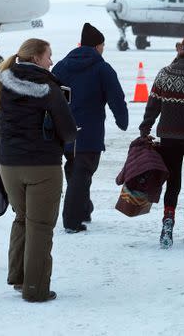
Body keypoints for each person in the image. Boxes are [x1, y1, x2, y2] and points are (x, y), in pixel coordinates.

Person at [0, 38, 77, 303]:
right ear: (36, 58)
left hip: (8, 164)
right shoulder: (49, 88)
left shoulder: (3, 82)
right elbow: (67, 131)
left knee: (22, 218)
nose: (52, 61)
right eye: (49, 56)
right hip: (42, 165)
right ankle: (36, 289)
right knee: (40, 226)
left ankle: (19, 278)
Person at [52, 23, 128, 233]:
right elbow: (116, 98)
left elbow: (53, 96)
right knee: (83, 172)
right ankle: (72, 220)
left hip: (64, 131)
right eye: (102, 45)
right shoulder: (102, 68)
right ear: (97, 46)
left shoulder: (60, 66)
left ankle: (84, 209)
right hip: (90, 132)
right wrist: (123, 121)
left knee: (75, 168)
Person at [139, 36, 184, 248]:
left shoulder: (164, 73)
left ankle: (167, 225)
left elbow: (153, 105)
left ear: (179, 51)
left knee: (173, 182)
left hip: (169, 136)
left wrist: (145, 128)